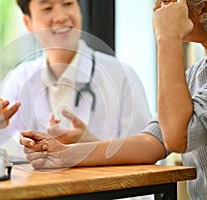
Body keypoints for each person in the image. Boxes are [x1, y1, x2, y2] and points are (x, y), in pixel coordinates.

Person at [20, 0, 207, 198]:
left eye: (167, 1)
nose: (157, 9)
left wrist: (167, 38)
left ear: (203, 9)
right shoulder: (194, 75)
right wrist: (64, 154)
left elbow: (179, 137)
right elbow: (152, 143)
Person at [0, 0, 151, 159]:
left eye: (68, 3)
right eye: (47, 8)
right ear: (28, 23)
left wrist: (91, 146)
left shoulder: (121, 76)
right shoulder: (19, 79)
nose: (61, 16)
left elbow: (146, 153)